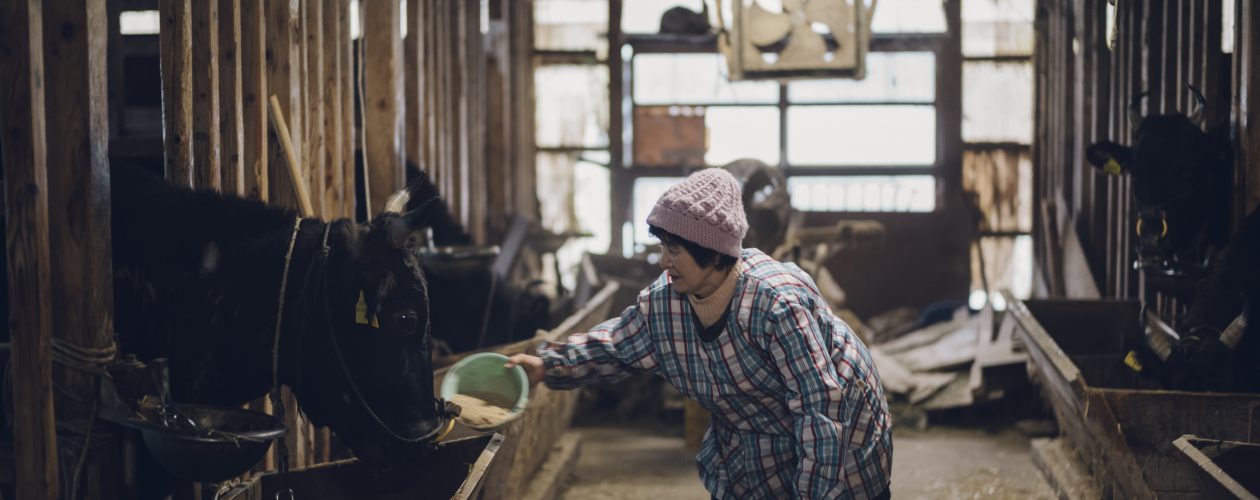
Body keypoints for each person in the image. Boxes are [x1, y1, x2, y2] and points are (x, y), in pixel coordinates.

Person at [506, 168, 893, 499]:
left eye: (674, 249)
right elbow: (616, 345)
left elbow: (819, 410)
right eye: (663, 246)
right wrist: (544, 365)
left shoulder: (776, 305)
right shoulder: (665, 302)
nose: (664, 260)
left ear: (712, 250)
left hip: (843, 418)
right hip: (756, 426)